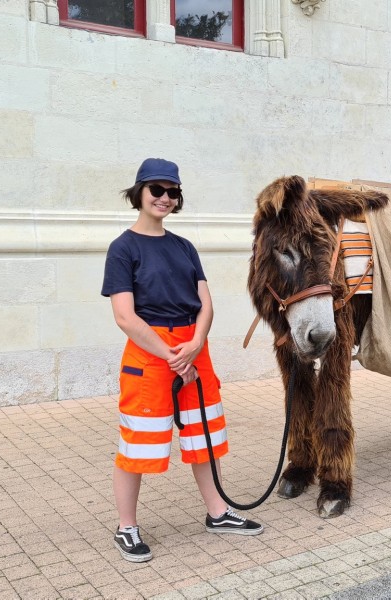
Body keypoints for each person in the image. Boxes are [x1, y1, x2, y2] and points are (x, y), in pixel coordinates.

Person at [102, 158, 263, 563]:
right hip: (150, 352)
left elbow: (206, 303)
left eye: (173, 192)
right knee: (138, 442)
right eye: (157, 189)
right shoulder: (123, 248)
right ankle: (126, 527)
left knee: (205, 436)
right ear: (138, 192)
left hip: (193, 346)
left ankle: (218, 512)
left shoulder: (183, 246)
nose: (165, 198)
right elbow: (125, 316)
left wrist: (192, 346)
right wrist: (173, 356)